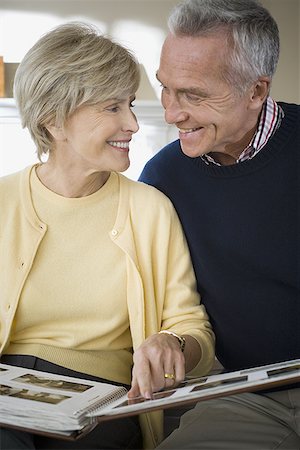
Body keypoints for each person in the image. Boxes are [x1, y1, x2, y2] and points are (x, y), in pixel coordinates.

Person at [0, 22, 215, 450]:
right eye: (112, 107)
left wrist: (173, 343)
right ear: (53, 120)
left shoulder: (149, 208)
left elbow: (193, 328)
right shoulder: (3, 200)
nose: (133, 123)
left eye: (131, 104)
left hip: (102, 400)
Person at [139, 0, 300, 448]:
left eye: (194, 94)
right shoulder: (163, 177)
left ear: (256, 91)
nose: (171, 113)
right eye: (166, 89)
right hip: (243, 394)